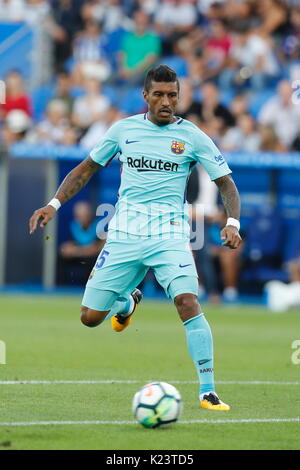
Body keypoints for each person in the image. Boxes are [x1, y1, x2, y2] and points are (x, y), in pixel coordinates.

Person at [29, 65, 242, 411]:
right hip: (124, 234)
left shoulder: (192, 136)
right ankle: (127, 303)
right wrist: (53, 204)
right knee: (89, 317)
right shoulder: (123, 130)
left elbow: (226, 184)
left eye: (172, 95)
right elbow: (85, 169)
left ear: (179, 97)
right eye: (158, 94)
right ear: (145, 96)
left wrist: (232, 221)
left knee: (187, 302)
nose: (166, 101)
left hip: (170, 235)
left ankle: (208, 390)